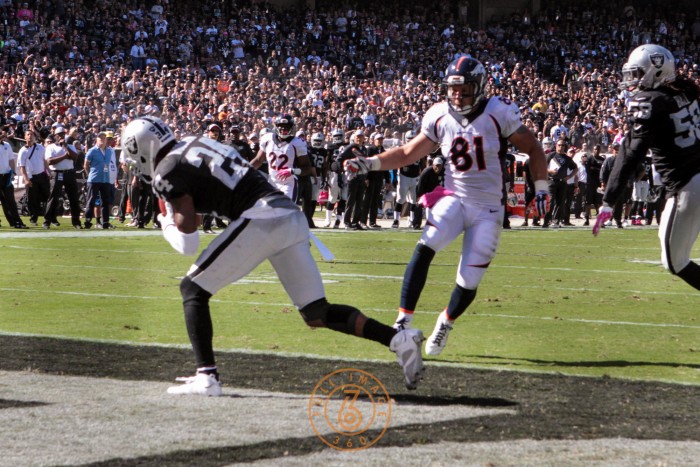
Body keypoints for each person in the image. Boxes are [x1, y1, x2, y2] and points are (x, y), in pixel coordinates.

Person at [120, 116, 425, 394]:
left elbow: (188, 239)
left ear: (144, 148)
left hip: (263, 216)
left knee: (192, 288)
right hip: (289, 216)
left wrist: (166, 224)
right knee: (316, 312)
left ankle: (207, 376)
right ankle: (398, 340)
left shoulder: (167, 169)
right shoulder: (194, 141)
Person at [346, 56, 548, 355]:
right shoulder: (439, 114)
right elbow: (407, 153)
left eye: (463, 88)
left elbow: (532, 147)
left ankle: (446, 322)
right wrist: (369, 163)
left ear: (478, 86)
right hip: (454, 197)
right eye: (453, 89)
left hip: (489, 207)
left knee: (469, 279)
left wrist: (542, 188)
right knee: (426, 245)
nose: (457, 95)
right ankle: (403, 321)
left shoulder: (498, 112)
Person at [594, 44, 700, 291]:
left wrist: (609, 200)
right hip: (693, 176)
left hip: (687, 185)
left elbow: (631, 153)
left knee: (675, 262)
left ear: (657, 72)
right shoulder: (686, 89)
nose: (634, 81)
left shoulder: (649, 101)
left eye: (639, 74)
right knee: (667, 247)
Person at [251, 114, 312, 203]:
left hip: (288, 184)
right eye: (281, 126)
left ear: (291, 127)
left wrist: (292, 171)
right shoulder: (267, 139)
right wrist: (245, 170)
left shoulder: (297, 143)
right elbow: (258, 160)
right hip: (271, 182)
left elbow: (307, 169)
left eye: (287, 126)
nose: (283, 128)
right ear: (276, 126)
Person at [42, 126, 82, 229]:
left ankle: (76, 222)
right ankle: (47, 221)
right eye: (59, 135)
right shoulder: (51, 147)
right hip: (57, 173)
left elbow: (74, 157)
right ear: (55, 136)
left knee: (73, 197)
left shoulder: (70, 146)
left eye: (63, 135)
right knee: (54, 197)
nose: (61, 136)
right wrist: (64, 156)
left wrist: (66, 147)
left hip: (69, 173)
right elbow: (50, 161)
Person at [330, 129, 368, 230]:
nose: (359, 139)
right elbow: (339, 159)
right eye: (357, 137)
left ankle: (356, 222)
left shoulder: (364, 149)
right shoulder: (351, 148)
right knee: (350, 201)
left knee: (359, 202)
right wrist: (345, 169)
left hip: (361, 177)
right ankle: (347, 222)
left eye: (361, 137)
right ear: (354, 138)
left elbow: (366, 164)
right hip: (352, 178)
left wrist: (366, 177)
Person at [83, 132, 116, 229]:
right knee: (91, 200)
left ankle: (105, 222)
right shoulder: (92, 151)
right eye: (100, 138)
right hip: (94, 179)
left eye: (104, 138)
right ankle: (88, 221)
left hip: (105, 179)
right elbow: (86, 165)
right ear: (96, 140)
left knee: (105, 202)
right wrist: (90, 175)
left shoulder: (109, 151)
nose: (102, 140)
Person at [17, 127, 49, 226]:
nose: (30, 136)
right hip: (31, 177)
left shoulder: (41, 147)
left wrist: (48, 172)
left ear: (35, 137)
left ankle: (49, 218)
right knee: (32, 199)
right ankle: (33, 218)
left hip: (42, 175)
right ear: (25, 137)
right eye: (28, 135)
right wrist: (26, 179)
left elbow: (45, 161)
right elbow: (21, 167)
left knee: (47, 196)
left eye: (32, 135)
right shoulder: (22, 151)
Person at [543, 140, 578, 228]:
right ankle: (546, 221)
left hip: (562, 182)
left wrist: (569, 176)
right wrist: (550, 171)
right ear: (556, 145)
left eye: (563, 145)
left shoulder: (567, 158)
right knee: (550, 202)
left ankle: (556, 221)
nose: (561, 147)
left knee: (560, 203)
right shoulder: (551, 155)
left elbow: (575, 168)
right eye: (559, 145)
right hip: (551, 181)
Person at [0, 127, 27, 229]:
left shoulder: (7, 145)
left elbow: (11, 160)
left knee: (10, 200)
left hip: (6, 175)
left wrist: (13, 172)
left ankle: (16, 221)